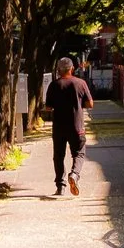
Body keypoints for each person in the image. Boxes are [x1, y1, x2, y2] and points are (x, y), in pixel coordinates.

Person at [43, 56, 95, 197]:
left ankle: (61, 186)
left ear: (59, 70)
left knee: (58, 156)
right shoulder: (80, 83)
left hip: (59, 127)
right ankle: (74, 174)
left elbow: (48, 107)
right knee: (79, 153)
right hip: (77, 126)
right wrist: (78, 104)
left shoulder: (54, 85)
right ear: (72, 69)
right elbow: (90, 104)